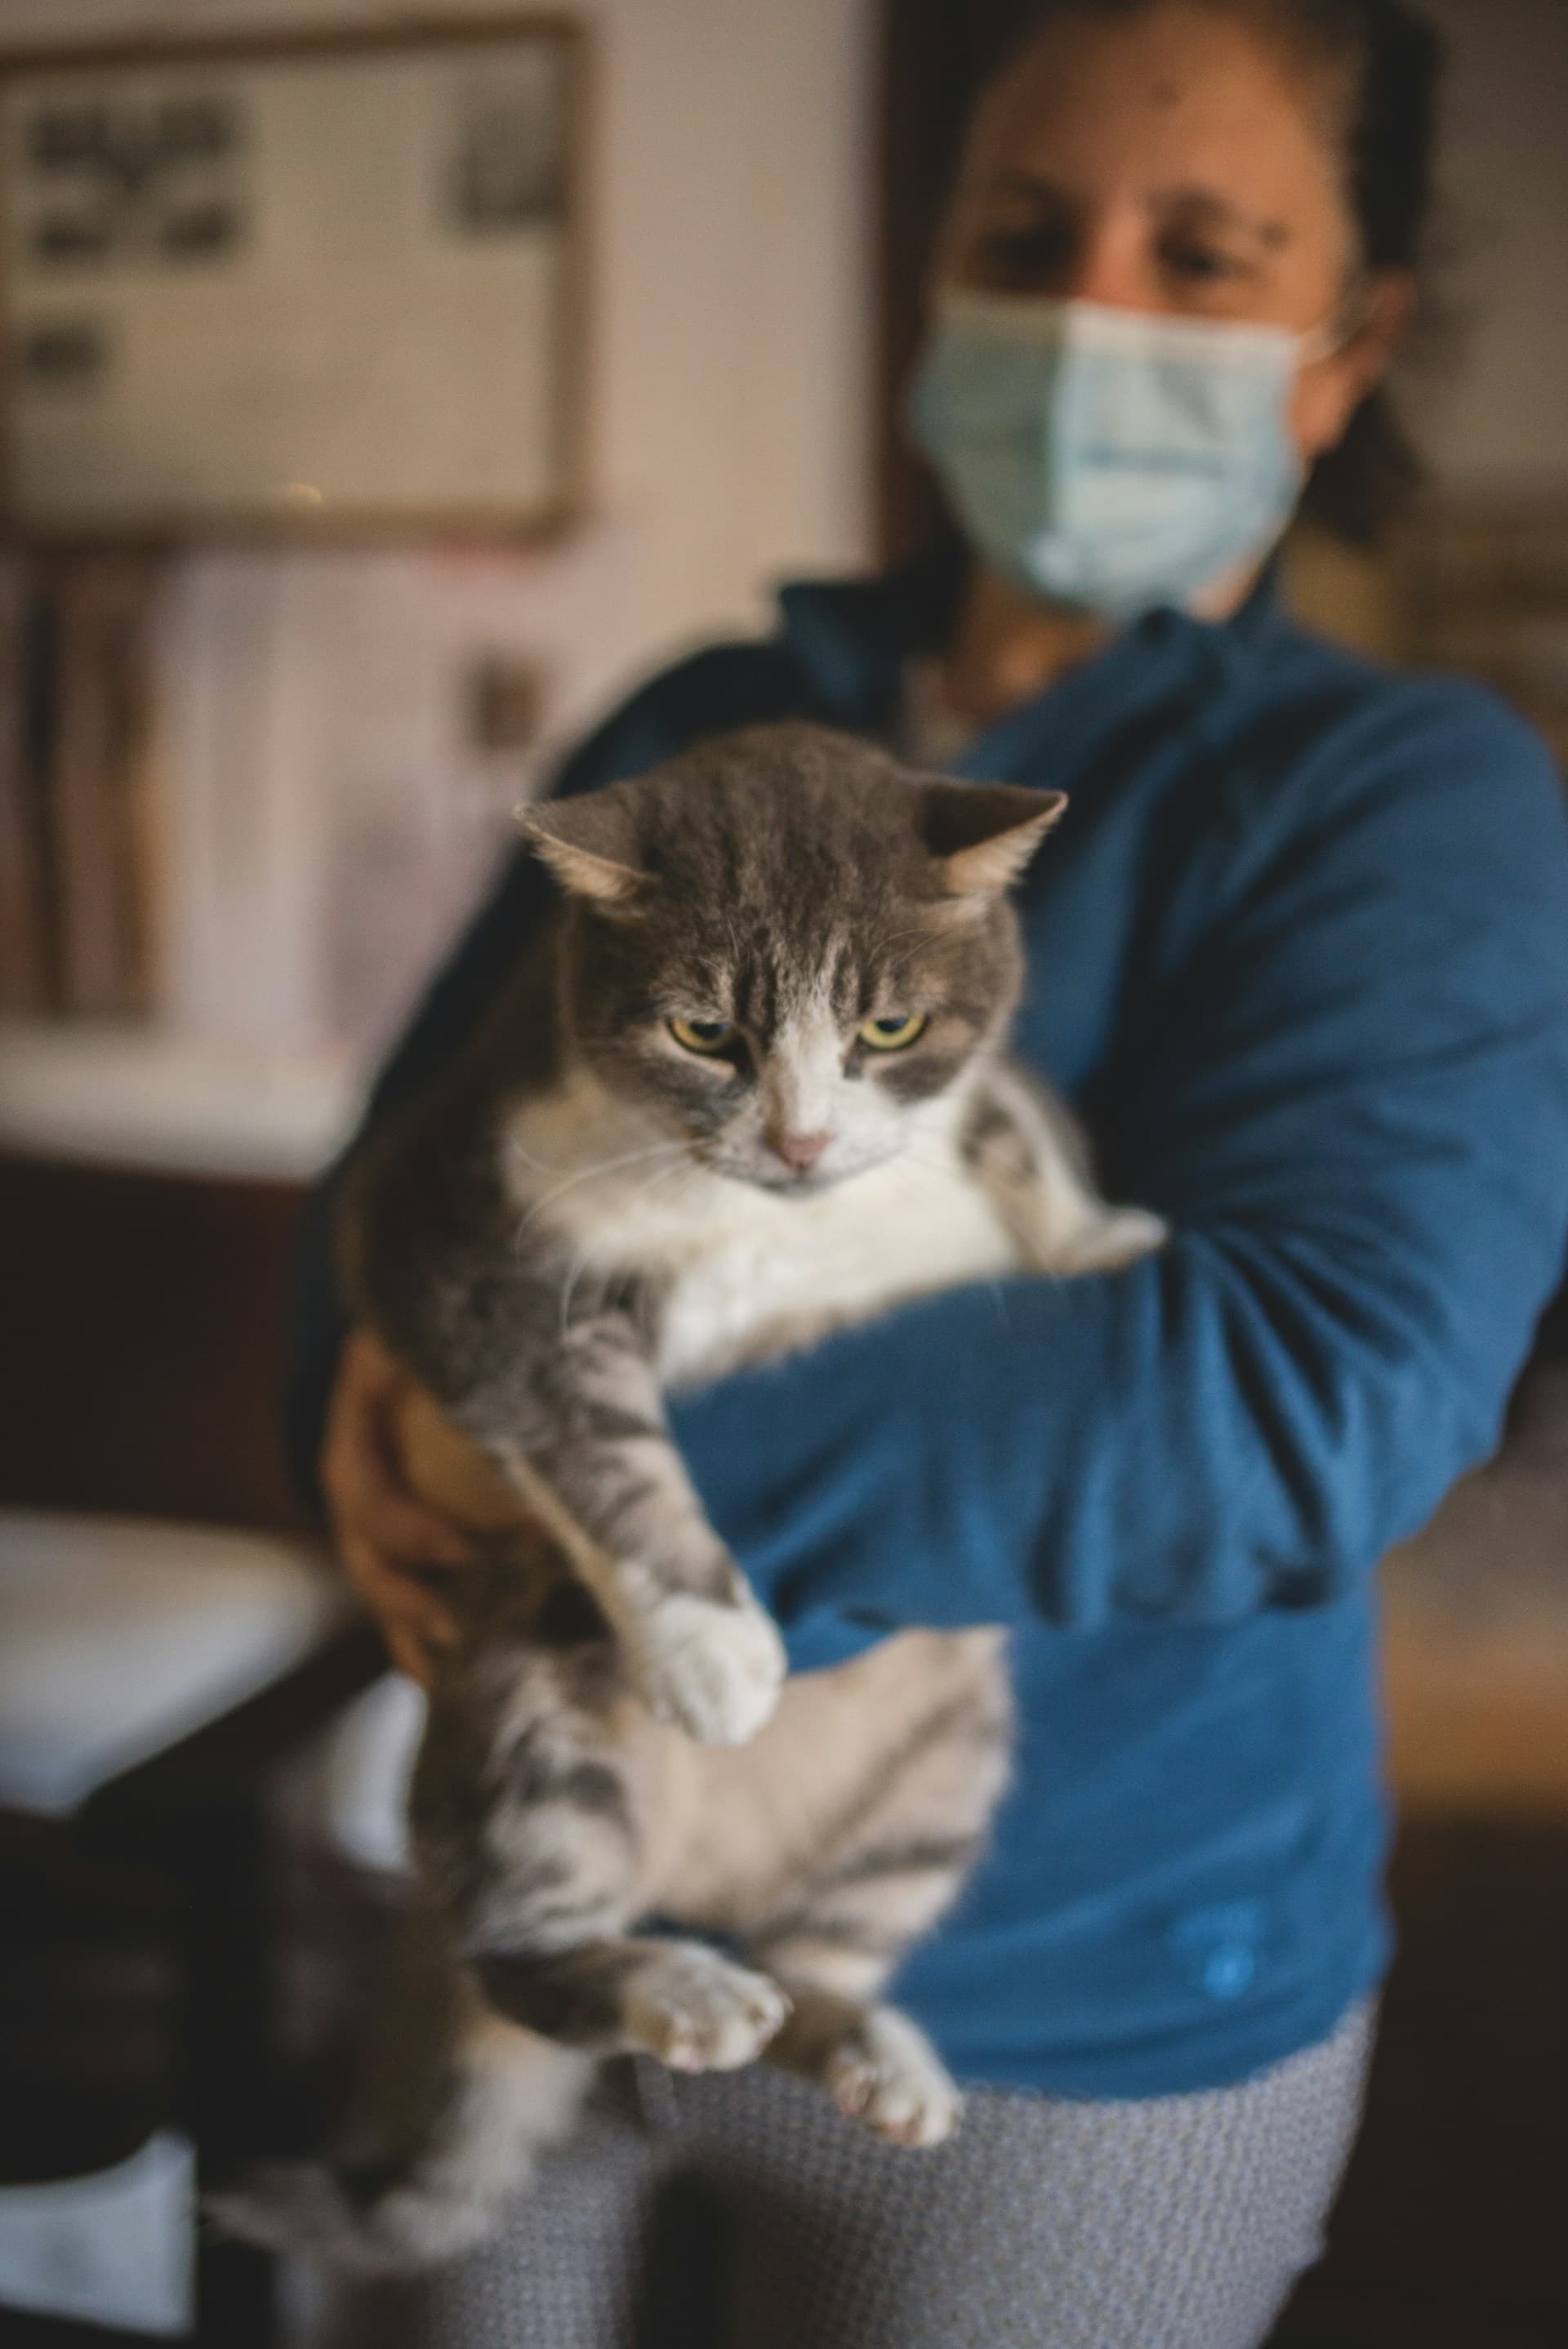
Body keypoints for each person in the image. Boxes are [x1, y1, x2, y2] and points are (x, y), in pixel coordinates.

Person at [287, 4, 1568, 2343]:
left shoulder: (1400, 799)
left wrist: (567, 1480)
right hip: (541, 1884)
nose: (1089, 317)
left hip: (1056, 2011)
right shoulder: (693, 719)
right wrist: (355, 1408)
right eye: (1025, 236)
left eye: (1202, 255)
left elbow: (1306, 1380)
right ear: (937, 283)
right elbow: (402, 1173)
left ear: (1343, 346)